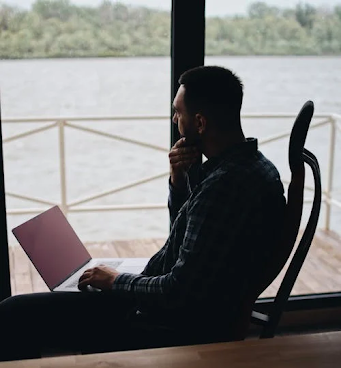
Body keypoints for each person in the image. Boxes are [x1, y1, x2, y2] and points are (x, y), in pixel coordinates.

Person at [0, 66, 286, 361]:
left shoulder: (224, 186)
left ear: (199, 122)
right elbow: (188, 232)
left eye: (178, 112)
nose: (175, 120)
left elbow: (178, 291)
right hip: (168, 305)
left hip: (163, 323)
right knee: (55, 296)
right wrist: (179, 179)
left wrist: (115, 281)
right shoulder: (249, 167)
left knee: (11, 315)